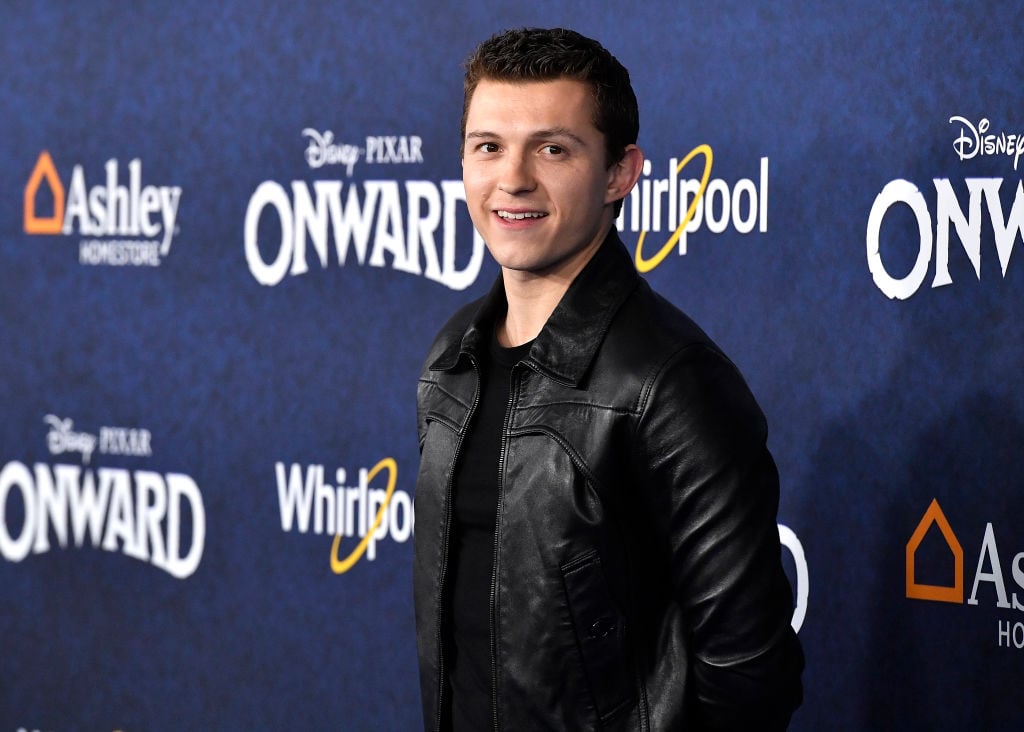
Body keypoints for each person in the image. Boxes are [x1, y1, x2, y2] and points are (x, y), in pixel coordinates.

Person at [413, 27, 803, 731]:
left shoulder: (671, 384)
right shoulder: (454, 358)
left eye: (553, 148)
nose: (513, 179)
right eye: (488, 146)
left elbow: (750, 677)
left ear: (621, 173)